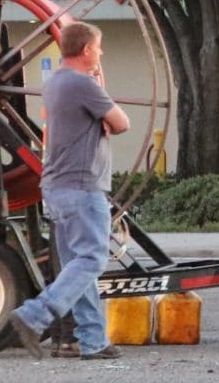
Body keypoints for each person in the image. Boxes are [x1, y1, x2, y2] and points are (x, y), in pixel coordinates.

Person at [7, 20, 130, 360]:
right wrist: (104, 108)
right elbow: (121, 123)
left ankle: (92, 340)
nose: (101, 53)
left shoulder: (57, 82)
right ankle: (35, 314)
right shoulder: (82, 85)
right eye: (99, 47)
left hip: (55, 187)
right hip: (82, 186)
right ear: (87, 49)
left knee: (77, 263)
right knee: (92, 258)